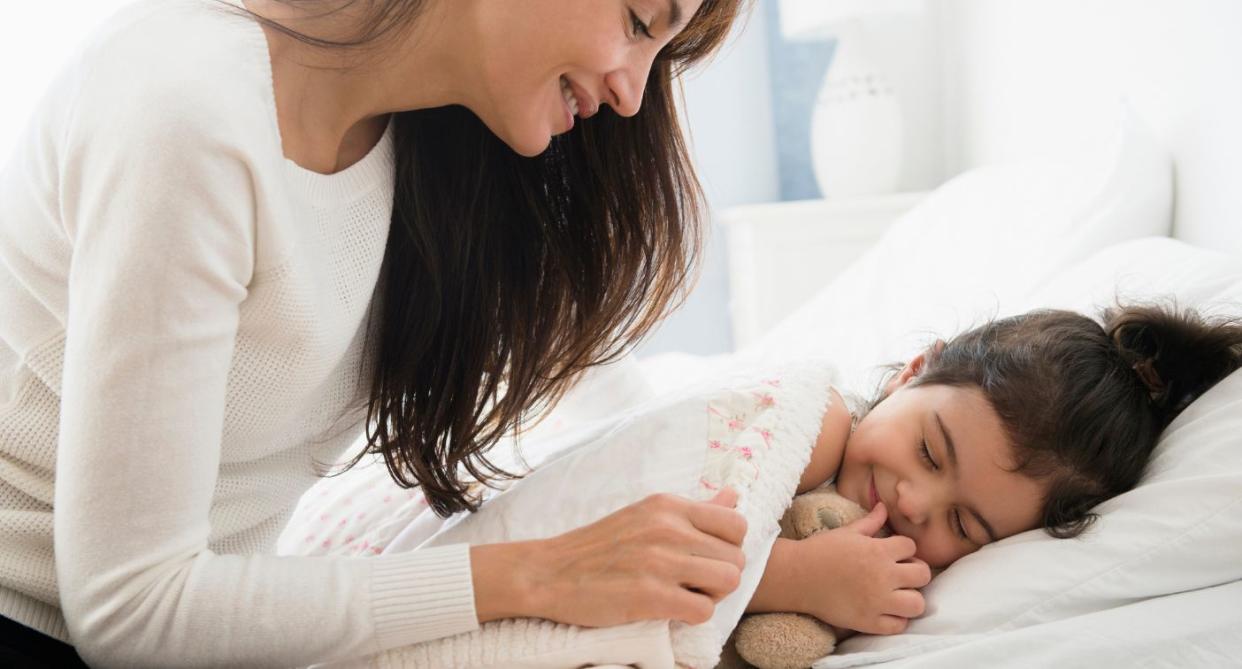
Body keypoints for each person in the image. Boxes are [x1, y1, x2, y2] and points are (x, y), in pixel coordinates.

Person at [0, 0, 751, 666]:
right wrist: (539, 574)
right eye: (639, 23)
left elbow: (622, 416)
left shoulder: (440, 149)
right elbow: (129, 608)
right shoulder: (187, 106)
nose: (631, 94)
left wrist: (766, 561)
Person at [746, 303, 1242, 637]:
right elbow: (674, 530)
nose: (914, 504)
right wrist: (791, 577)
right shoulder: (812, 428)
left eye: (962, 524)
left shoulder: (897, 579)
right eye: (929, 453)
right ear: (913, 372)